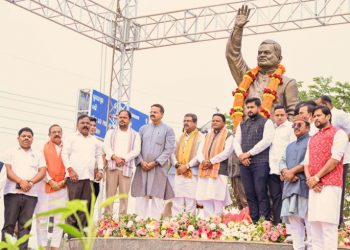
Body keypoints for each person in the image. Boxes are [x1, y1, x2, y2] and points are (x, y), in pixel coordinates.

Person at [226, 5, 298, 119]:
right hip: (245, 131)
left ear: (279, 59)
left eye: (267, 53)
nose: (262, 55)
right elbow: (232, 55)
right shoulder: (247, 78)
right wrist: (238, 29)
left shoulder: (288, 83)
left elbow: (292, 113)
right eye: (260, 53)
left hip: (272, 133)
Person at [305, 106, 348, 250]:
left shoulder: (339, 134)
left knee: (328, 226)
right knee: (315, 227)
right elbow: (306, 162)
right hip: (314, 186)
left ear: (328, 116)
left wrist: (316, 178)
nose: (316, 118)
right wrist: (310, 180)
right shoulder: (313, 138)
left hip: (330, 185)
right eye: (314, 116)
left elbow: (335, 159)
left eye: (319, 115)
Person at [1, 127, 46, 249]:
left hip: (31, 195)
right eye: (24, 136)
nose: (26, 138)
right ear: (18, 138)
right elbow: (8, 171)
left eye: (29, 136)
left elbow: (42, 172)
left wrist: (30, 183)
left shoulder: (37, 154)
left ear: (32, 139)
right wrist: (21, 181)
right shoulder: (10, 152)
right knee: (9, 225)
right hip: (12, 193)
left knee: (25, 226)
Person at [233, 97, 275, 223]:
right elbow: (236, 141)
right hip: (244, 163)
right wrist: (241, 155)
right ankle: (254, 221)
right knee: (249, 194)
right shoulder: (242, 124)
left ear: (259, 107)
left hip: (261, 163)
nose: (249, 110)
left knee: (261, 192)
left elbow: (266, 141)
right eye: (248, 107)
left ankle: (264, 221)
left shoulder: (266, 122)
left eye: (252, 107)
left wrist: (249, 154)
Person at [131, 104, 175, 219]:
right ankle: (139, 224)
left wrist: (155, 162)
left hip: (158, 169)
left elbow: (169, 149)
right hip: (142, 168)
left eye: (155, 112)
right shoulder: (143, 129)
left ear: (162, 114)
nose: (152, 114)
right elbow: (136, 148)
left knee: (157, 196)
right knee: (141, 196)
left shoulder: (168, 130)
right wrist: (140, 161)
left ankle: (155, 226)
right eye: (151, 111)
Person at [62, 114, 104, 232]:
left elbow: (98, 156)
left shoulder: (95, 141)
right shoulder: (71, 138)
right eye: (83, 123)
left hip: (89, 178)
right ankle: (71, 234)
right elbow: (64, 155)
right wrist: (70, 170)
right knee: (73, 206)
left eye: (88, 123)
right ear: (77, 125)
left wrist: (100, 170)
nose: (86, 125)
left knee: (85, 207)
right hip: (74, 178)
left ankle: (80, 234)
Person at [316, 95, 350, 226]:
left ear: (325, 104)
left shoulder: (339, 114)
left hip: (340, 159)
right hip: (324, 162)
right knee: (326, 192)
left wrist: (342, 140)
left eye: (319, 105)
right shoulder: (320, 118)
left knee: (337, 193)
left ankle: (338, 224)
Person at [280, 115, 311, 250]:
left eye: (300, 125)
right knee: (294, 222)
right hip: (289, 185)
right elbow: (281, 161)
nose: (296, 127)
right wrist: (285, 172)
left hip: (304, 185)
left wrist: (292, 171)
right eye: (294, 125)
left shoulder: (311, 141)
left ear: (308, 127)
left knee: (308, 221)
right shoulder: (289, 146)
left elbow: (308, 161)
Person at [35, 124, 68, 250]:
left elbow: (70, 164)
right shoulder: (42, 148)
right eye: (53, 132)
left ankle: (55, 246)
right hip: (45, 187)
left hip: (63, 188)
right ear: (49, 135)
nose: (56, 134)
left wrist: (64, 180)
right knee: (42, 218)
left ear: (62, 133)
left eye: (59, 131)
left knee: (59, 219)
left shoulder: (66, 148)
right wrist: (50, 181)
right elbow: (41, 166)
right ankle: (42, 246)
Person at [103, 110, 141, 216]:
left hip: (126, 168)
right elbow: (106, 147)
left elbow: (136, 150)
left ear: (129, 120)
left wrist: (123, 159)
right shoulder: (110, 132)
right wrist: (115, 158)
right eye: (120, 117)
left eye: (124, 117)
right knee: (109, 196)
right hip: (112, 168)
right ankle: (107, 223)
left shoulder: (135, 135)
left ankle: (122, 224)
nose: (122, 119)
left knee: (124, 197)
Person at [196, 113, 233, 217]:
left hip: (219, 170)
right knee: (205, 197)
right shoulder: (206, 135)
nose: (214, 122)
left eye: (217, 121)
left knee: (217, 197)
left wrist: (211, 161)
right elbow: (199, 151)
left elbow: (227, 152)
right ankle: (208, 222)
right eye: (213, 120)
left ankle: (217, 222)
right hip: (205, 170)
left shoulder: (229, 135)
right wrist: (203, 161)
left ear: (224, 123)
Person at [171, 113, 203, 216]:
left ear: (195, 123)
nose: (186, 123)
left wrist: (187, 166)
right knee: (177, 199)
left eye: (188, 121)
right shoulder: (180, 136)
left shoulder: (201, 137)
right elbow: (171, 152)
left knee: (191, 201)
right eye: (184, 121)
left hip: (192, 173)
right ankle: (175, 225)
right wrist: (176, 165)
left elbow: (199, 155)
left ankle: (190, 226)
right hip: (178, 171)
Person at [269, 105, 295, 224]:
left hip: (285, 169)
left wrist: (286, 169)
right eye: (277, 115)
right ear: (273, 116)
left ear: (286, 115)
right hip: (271, 169)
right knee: (275, 197)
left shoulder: (291, 127)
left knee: (286, 198)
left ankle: (287, 226)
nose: (279, 117)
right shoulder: (271, 128)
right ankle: (277, 224)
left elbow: (291, 149)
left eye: (282, 115)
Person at [89, 116, 102, 200]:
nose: (93, 127)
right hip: (81, 179)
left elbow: (103, 157)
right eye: (91, 125)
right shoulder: (75, 140)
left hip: (94, 180)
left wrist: (100, 170)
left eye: (94, 125)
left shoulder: (98, 143)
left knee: (90, 208)